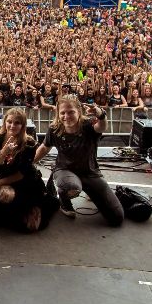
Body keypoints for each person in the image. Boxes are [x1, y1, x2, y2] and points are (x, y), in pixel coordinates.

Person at [34, 96, 124, 226]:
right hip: (65, 171)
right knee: (71, 186)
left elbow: (102, 127)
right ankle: (64, 201)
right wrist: (30, 162)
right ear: (58, 113)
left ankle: (92, 192)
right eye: (63, 113)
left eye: (71, 112)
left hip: (90, 173)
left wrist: (101, 114)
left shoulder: (88, 125)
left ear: (79, 111)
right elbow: (44, 148)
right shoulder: (54, 129)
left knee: (116, 218)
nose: (66, 116)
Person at [0, 108, 54, 232]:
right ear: (4, 122)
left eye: (17, 123)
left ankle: (35, 207)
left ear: (23, 125)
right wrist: (3, 154)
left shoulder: (30, 143)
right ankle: (24, 212)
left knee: (29, 222)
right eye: (9, 121)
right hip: (6, 181)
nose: (12, 125)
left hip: (27, 183)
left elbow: (22, 174)